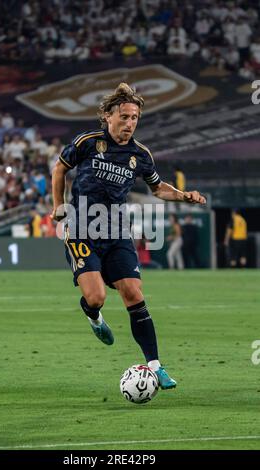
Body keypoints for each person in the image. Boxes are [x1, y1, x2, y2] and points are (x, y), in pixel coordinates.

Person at [51, 83, 206, 390]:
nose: (129, 123)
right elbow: (59, 169)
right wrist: (58, 206)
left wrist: (183, 195)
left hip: (117, 232)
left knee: (134, 294)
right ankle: (93, 315)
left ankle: (156, 366)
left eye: (135, 117)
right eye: (124, 116)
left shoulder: (140, 155)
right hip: (82, 230)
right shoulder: (87, 142)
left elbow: (158, 187)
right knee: (96, 297)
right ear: (108, 116)